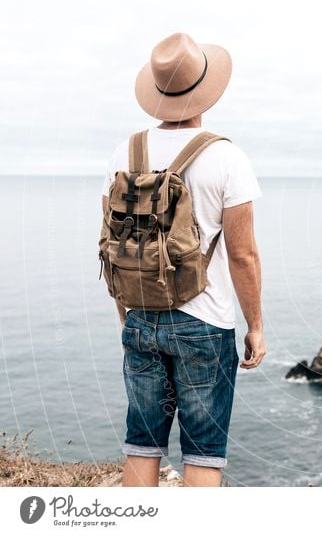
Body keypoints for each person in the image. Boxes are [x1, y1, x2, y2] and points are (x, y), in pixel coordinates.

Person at [100, 32, 266, 487]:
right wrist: (254, 325)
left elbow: (111, 243)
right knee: (203, 455)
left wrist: (127, 315)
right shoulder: (227, 157)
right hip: (204, 323)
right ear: (204, 91)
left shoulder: (124, 153)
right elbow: (243, 254)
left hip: (140, 318)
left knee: (142, 445)